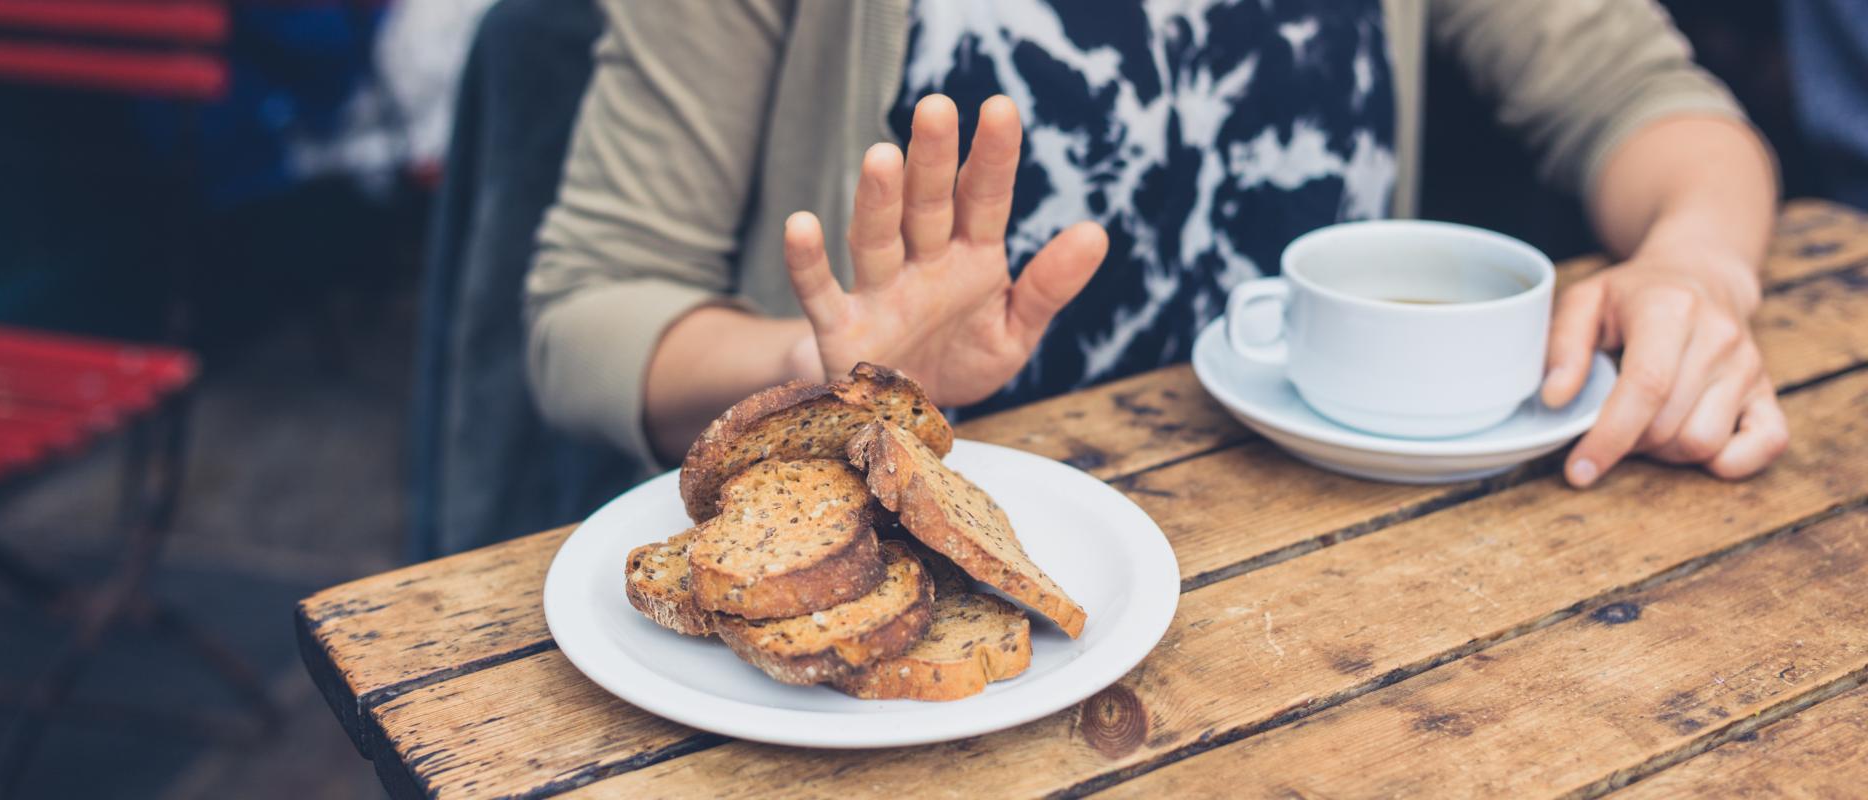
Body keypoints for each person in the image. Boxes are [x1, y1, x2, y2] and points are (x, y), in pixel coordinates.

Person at [525, 0, 1786, 492]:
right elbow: (585, 314)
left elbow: (1651, 105)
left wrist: (1699, 266)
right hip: (912, 619)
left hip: (1347, 573)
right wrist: (827, 362)